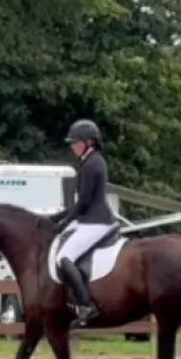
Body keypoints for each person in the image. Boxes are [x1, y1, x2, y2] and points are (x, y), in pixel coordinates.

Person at [53, 119, 117, 327]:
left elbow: (84, 202)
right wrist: (56, 217)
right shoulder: (90, 161)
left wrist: (64, 222)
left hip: (96, 221)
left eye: (75, 142)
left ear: (88, 142)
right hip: (90, 219)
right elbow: (79, 204)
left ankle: (86, 305)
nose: (72, 146)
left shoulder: (92, 163)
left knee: (64, 257)